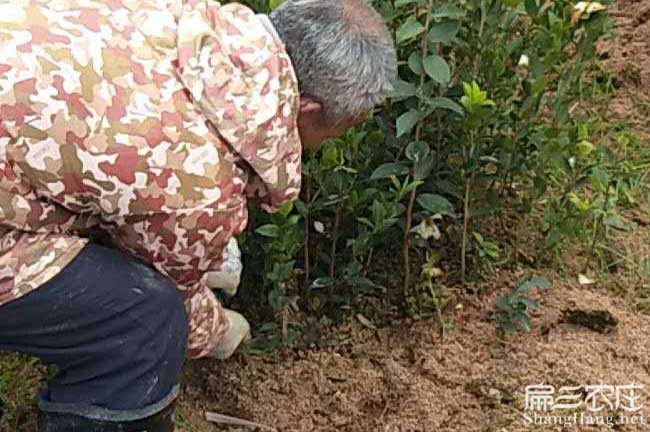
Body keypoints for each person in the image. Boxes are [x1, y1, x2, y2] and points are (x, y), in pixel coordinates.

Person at [0, 0, 396, 430]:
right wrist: (220, 329)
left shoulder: (169, 13)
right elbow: (170, 284)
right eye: (347, 124)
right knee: (143, 320)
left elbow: (105, 169)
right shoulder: (200, 177)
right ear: (310, 110)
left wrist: (198, 249)